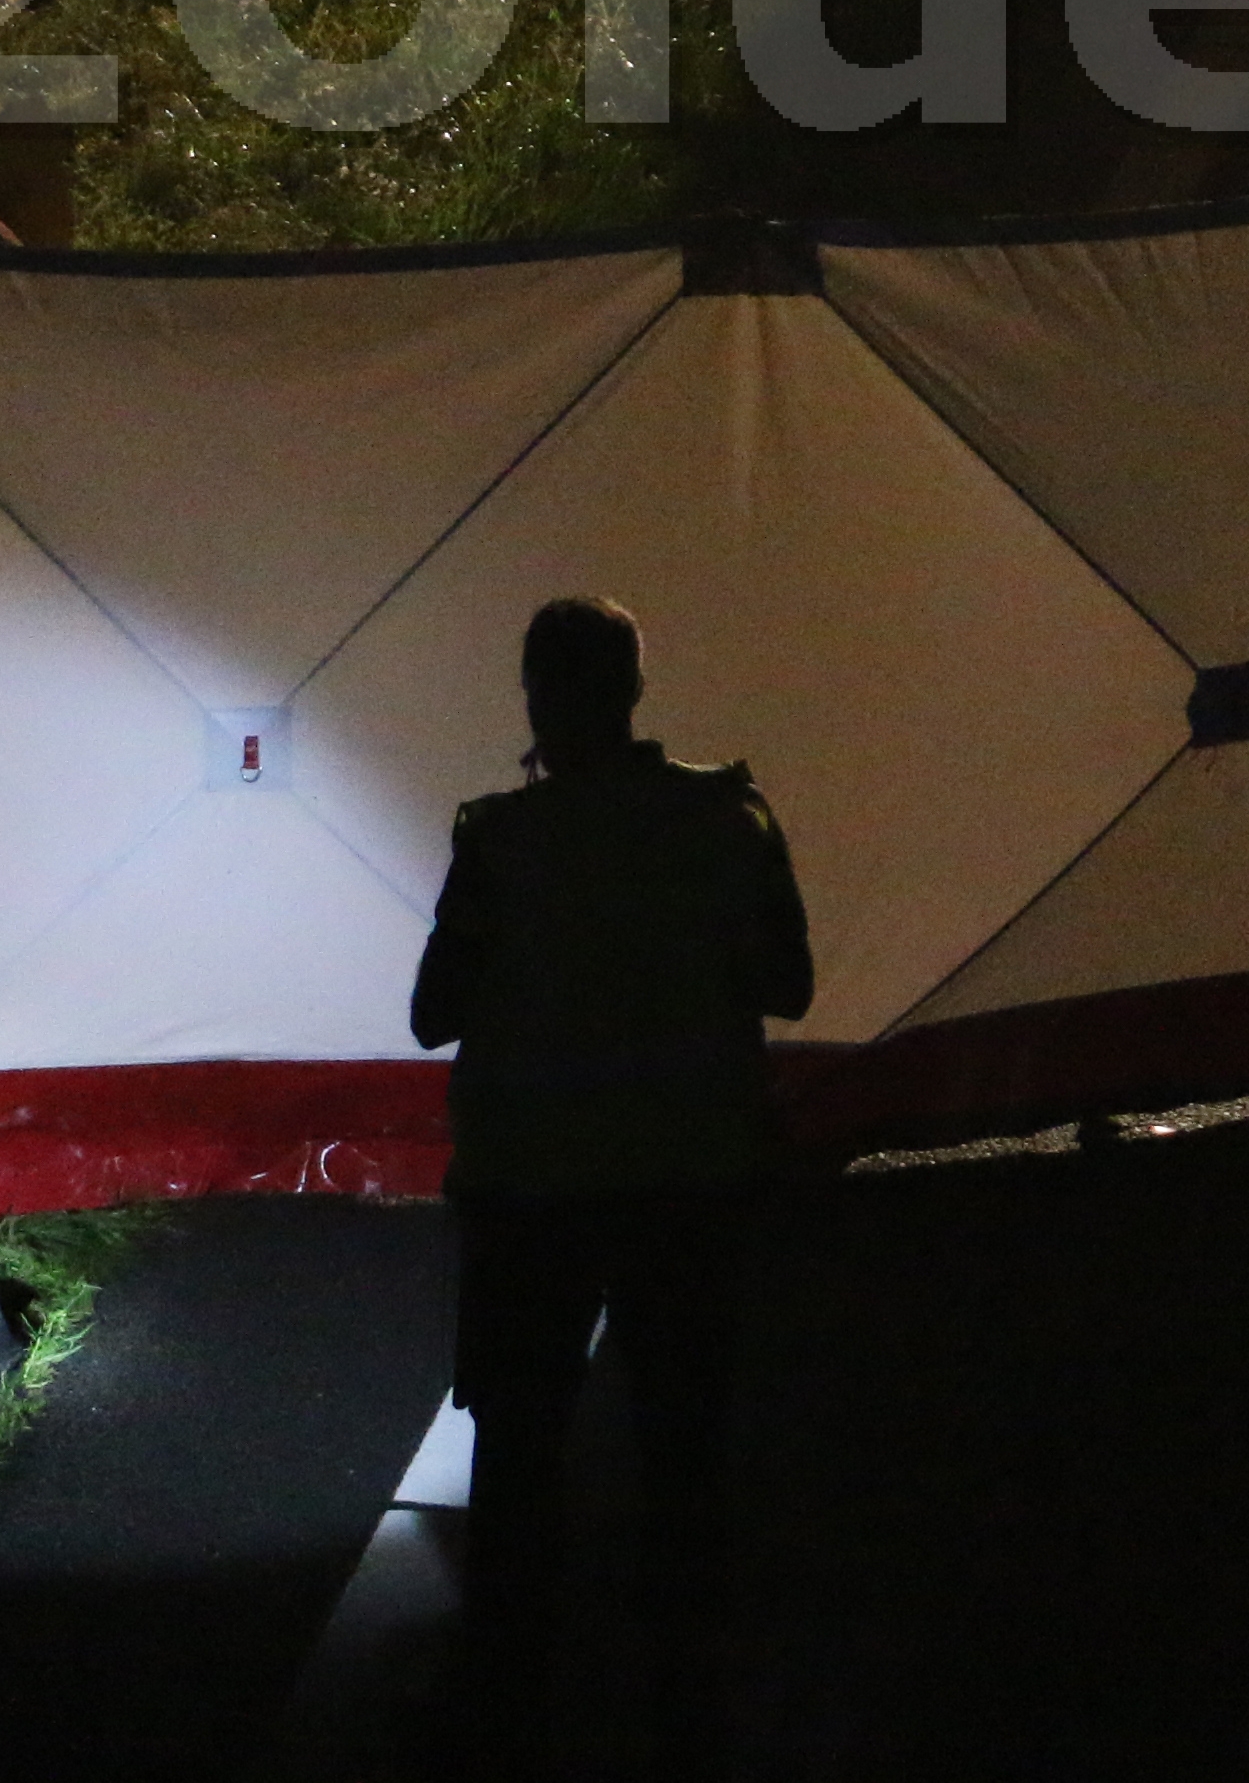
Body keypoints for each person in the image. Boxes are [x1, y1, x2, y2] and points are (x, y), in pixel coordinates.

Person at [413, 594, 816, 1771]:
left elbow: (435, 1011)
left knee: (521, 1444)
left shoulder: (498, 839)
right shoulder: (729, 818)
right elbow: (786, 983)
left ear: (536, 694)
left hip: (534, 1188)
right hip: (690, 1176)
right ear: (637, 687)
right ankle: (689, 1687)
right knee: (683, 1433)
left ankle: (506, 1694)